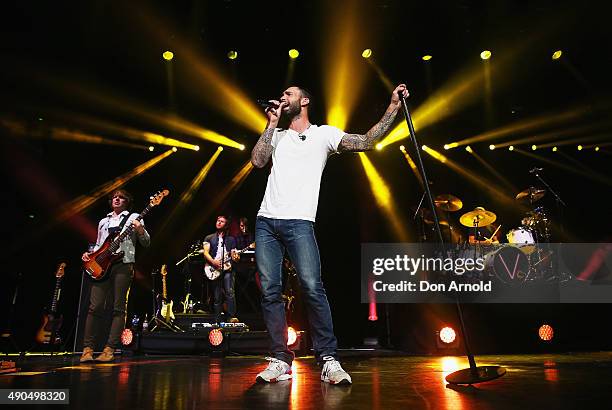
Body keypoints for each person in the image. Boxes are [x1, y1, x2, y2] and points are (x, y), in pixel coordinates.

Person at [251, 83, 408, 384]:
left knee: (312, 287)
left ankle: (328, 359)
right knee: (270, 291)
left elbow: (365, 141)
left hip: (300, 223)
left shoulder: (324, 134)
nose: (283, 97)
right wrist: (271, 123)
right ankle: (280, 359)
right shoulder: (278, 135)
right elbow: (258, 161)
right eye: (281, 93)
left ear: (305, 100)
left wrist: (393, 108)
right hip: (267, 221)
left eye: (289, 94)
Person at [80, 189, 150, 362]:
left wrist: (140, 229)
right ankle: (87, 349)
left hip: (123, 264)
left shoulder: (134, 217)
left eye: (121, 197)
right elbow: (99, 244)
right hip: (101, 265)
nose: (117, 199)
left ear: (127, 201)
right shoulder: (104, 221)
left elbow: (146, 242)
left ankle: (109, 349)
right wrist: (90, 254)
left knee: (118, 308)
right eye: (114, 197)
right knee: (94, 307)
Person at [202, 215, 239, 323]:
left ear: (226, 225)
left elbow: (234, 254)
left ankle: (231, 317)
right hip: (214, 268)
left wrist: (236, 257)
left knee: (230, 292)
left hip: (228, 269)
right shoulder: (209, 237)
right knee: (217, 296)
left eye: (222, 221)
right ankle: (217, 319)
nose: (219, 222)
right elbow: (205, 253)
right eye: (218, 220)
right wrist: (213, 262)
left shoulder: (231, 239)